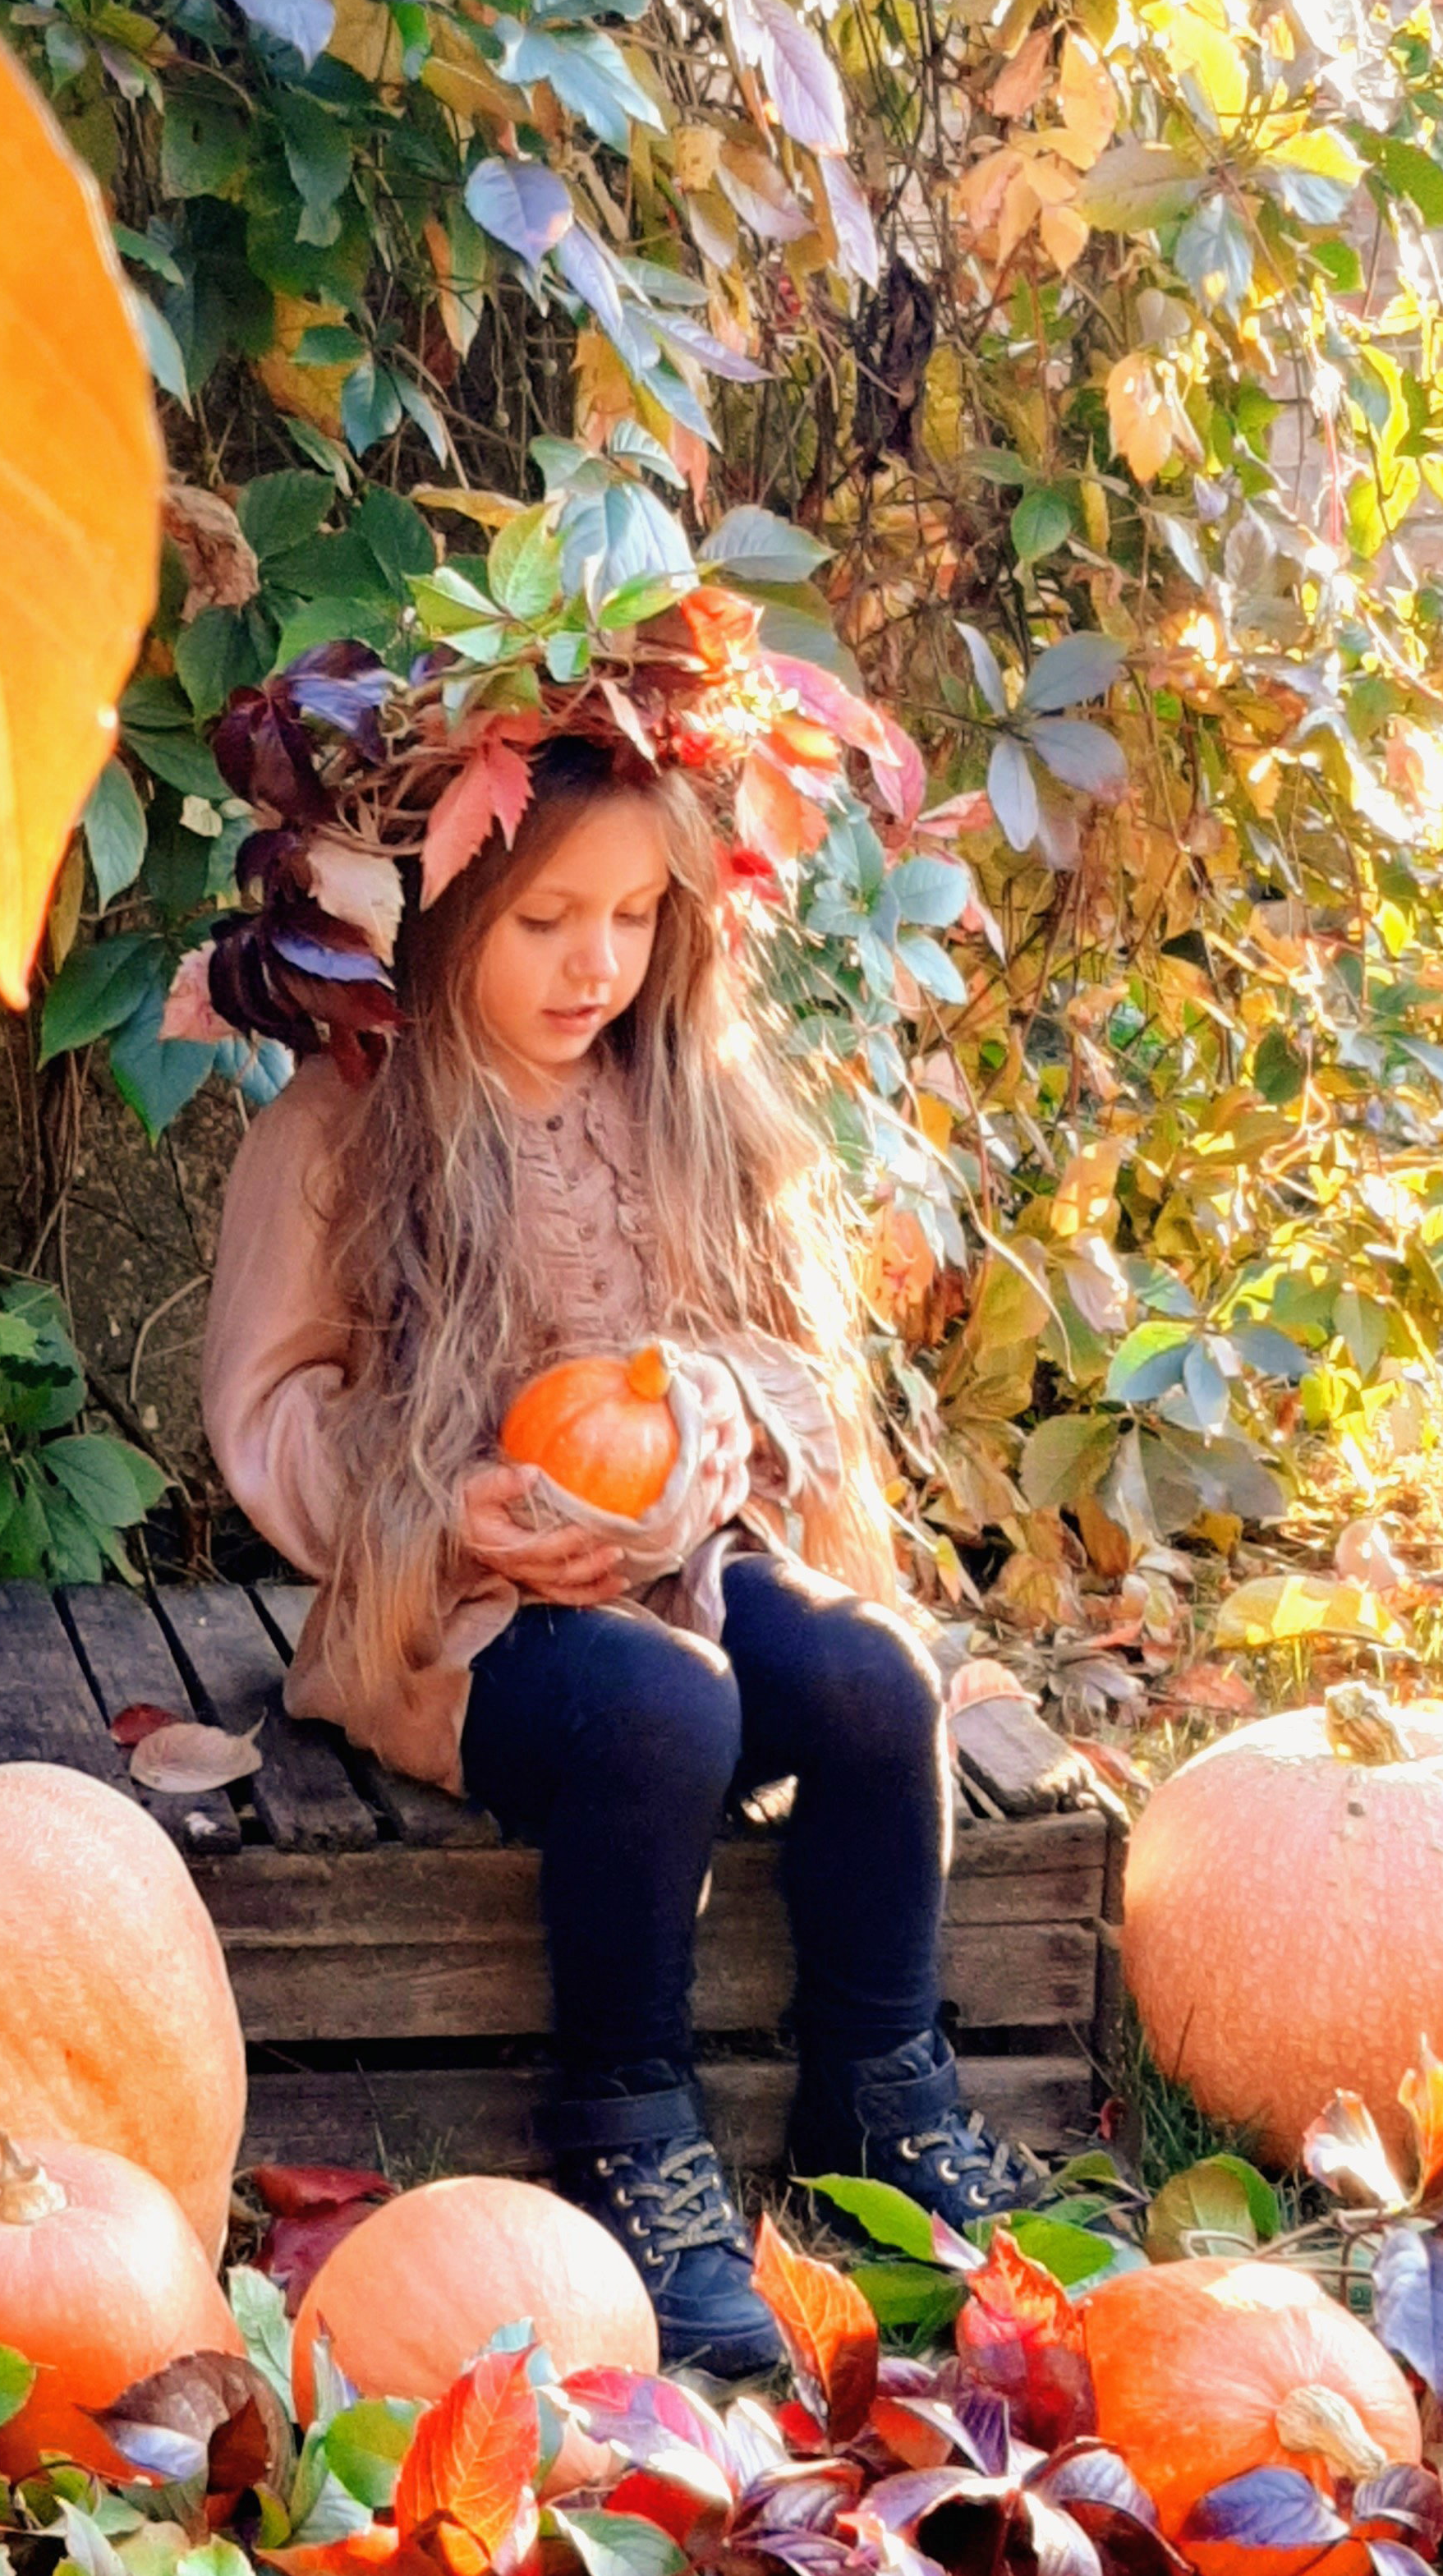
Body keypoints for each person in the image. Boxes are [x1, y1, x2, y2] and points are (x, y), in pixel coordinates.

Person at [196, 592, 1042, 2380]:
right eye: (545, 920)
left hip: (681, 1556)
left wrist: (728, 1412)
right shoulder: (351, 1122)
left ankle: (880, 2087)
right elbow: (273, 1402)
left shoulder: (683, 1104)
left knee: (874, 1683)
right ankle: (626, 2117)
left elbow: (789, 1356)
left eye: (635, 916)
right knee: (665, 1714)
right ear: (442, 916)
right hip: (458, 1604)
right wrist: (433, 1503)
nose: (594, 964)